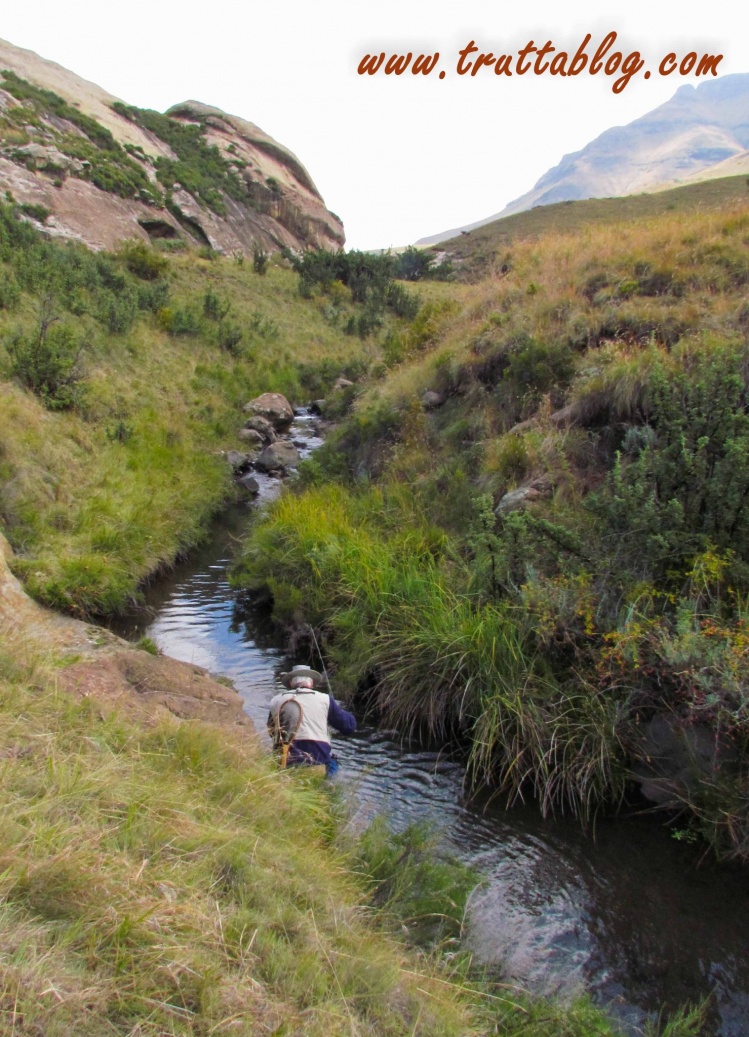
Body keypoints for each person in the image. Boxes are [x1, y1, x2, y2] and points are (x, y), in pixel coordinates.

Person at [268, 664, 356, 776]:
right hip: (316, 764)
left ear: (291, 683)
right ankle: (328, 786)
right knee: (334, 763)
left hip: (284, 763)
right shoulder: (325, 699)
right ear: (312, 683)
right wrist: (343, 712)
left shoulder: (276, 700)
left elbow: (271, 731)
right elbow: (349, 727)